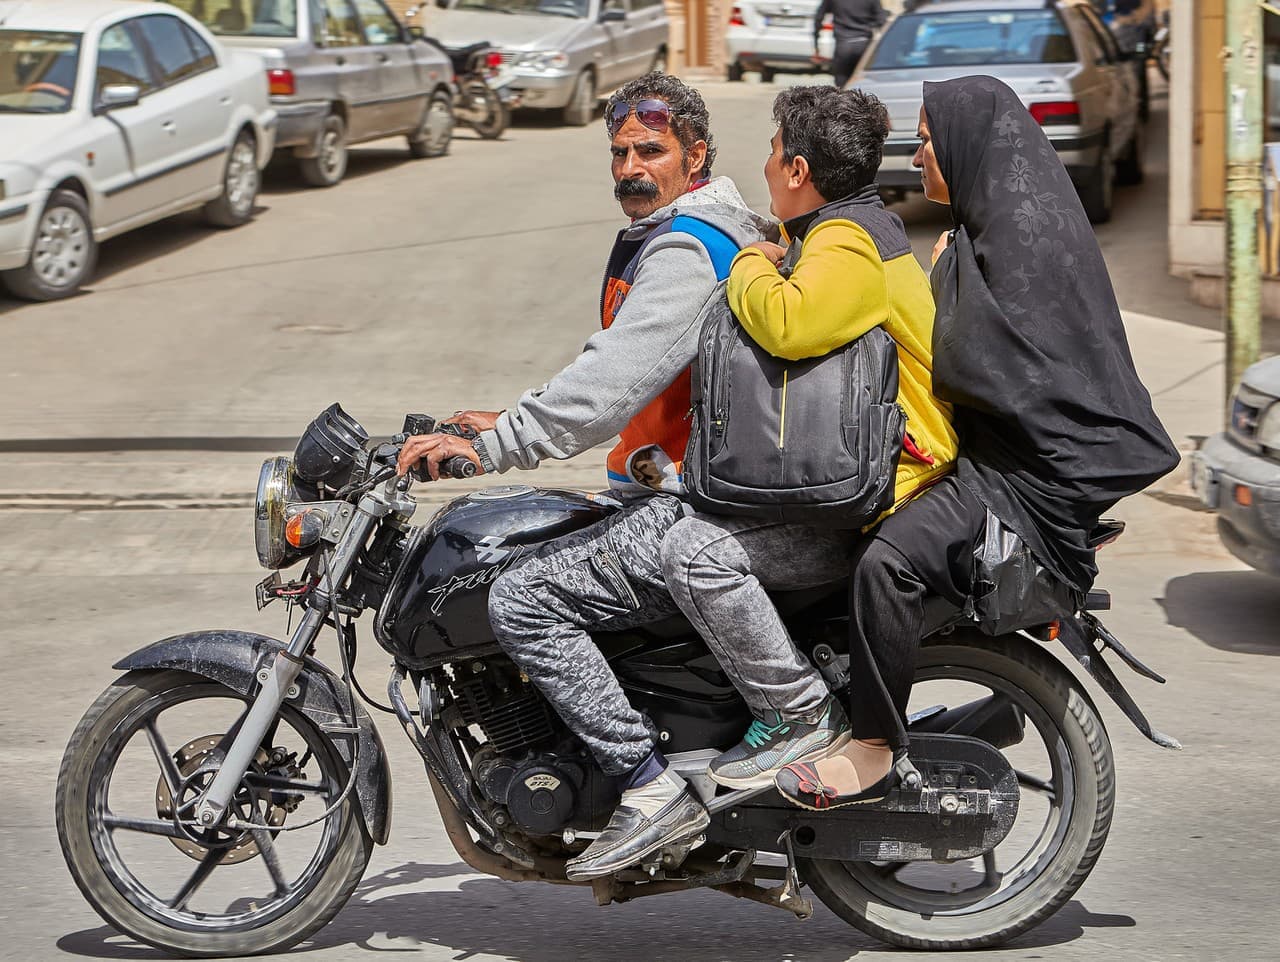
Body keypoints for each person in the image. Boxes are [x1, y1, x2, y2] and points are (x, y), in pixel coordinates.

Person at [397, 74, 770, 880]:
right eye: (620, 151)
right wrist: (501, 419)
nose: (631, 166)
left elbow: (606, 390)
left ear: (696, 155)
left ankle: (646, 784)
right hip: (650, 481)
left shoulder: (689, 247)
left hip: (677, 498)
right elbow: (616, 375)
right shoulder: (674, 232)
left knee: (520, 596)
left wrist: (492, 450)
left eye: (652, 150)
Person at [774, 76, 1180, 810]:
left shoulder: (1023, 245)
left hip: (1028, 479)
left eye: (929, 141)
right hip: (999, 460)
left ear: (967, 151)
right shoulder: (983, 230)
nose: (919, 154)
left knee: (887, 565)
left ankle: (872, 747)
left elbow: (979, 367)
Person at [660, 85, 958, 791]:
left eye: (771, 151)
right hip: (858, 469)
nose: (764, 164)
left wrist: (748, 262)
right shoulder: (841, 229)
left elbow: (791, 324)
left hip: (892, 481)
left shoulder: (850, 242)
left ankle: (795, 715)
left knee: (693, 553)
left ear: (798, 172)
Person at [814, 0, 888, 88]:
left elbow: (819, 17)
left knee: (841, 85)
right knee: (865, 84)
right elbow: (881, 21)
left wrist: (816, 43)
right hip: (864, 46)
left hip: (843, 46)